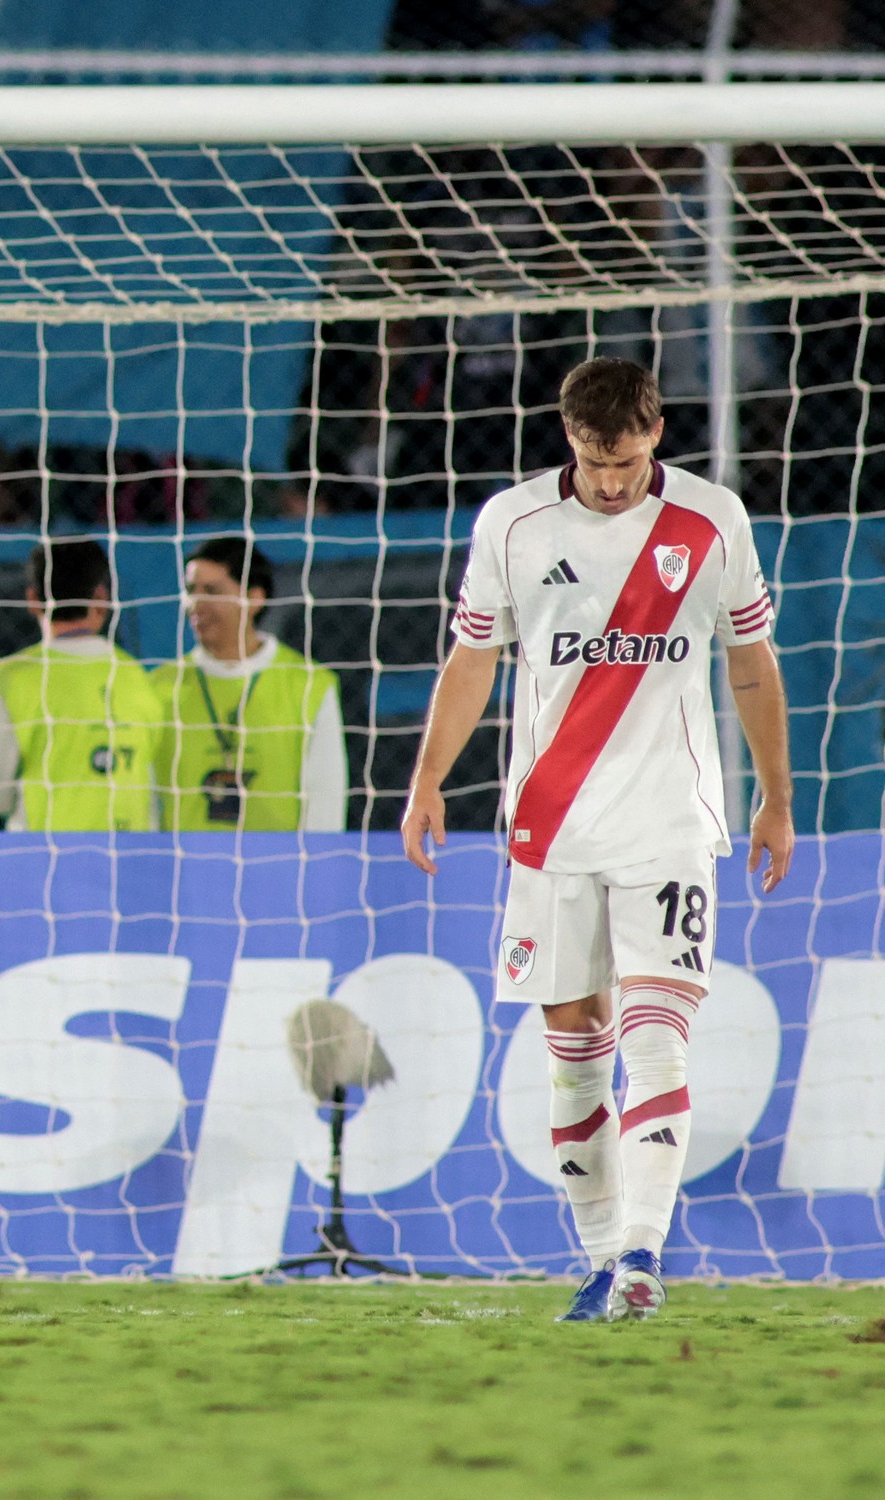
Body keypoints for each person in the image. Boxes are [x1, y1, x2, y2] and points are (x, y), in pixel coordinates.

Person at [401, 357, 792, 1324]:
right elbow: (472, 659)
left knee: (658, 1041)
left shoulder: (712, 520)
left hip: (669, 823)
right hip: (550, 828)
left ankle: (645, 1258)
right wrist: (427, 779)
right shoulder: (513, 524)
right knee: (574, 1052)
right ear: (567, 439)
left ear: (655, 432)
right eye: (591, 460)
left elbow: (749, 661)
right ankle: (604, 1257)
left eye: (623, 460)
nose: (610, 482)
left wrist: (775, 798)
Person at [151, 536, 347, 832]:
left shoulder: (309, 684)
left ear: (255, 598)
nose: (195, 603)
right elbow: (146, 799)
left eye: (212, 591)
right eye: (191, 590)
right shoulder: (159, 687)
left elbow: (326, 802)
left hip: (280, 860)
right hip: (185, 860)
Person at [0, 539, 163, 832]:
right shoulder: (141, 679)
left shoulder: (8, 679)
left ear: (33, 600)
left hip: (41, 852)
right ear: (102, 597)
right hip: (125, 853)